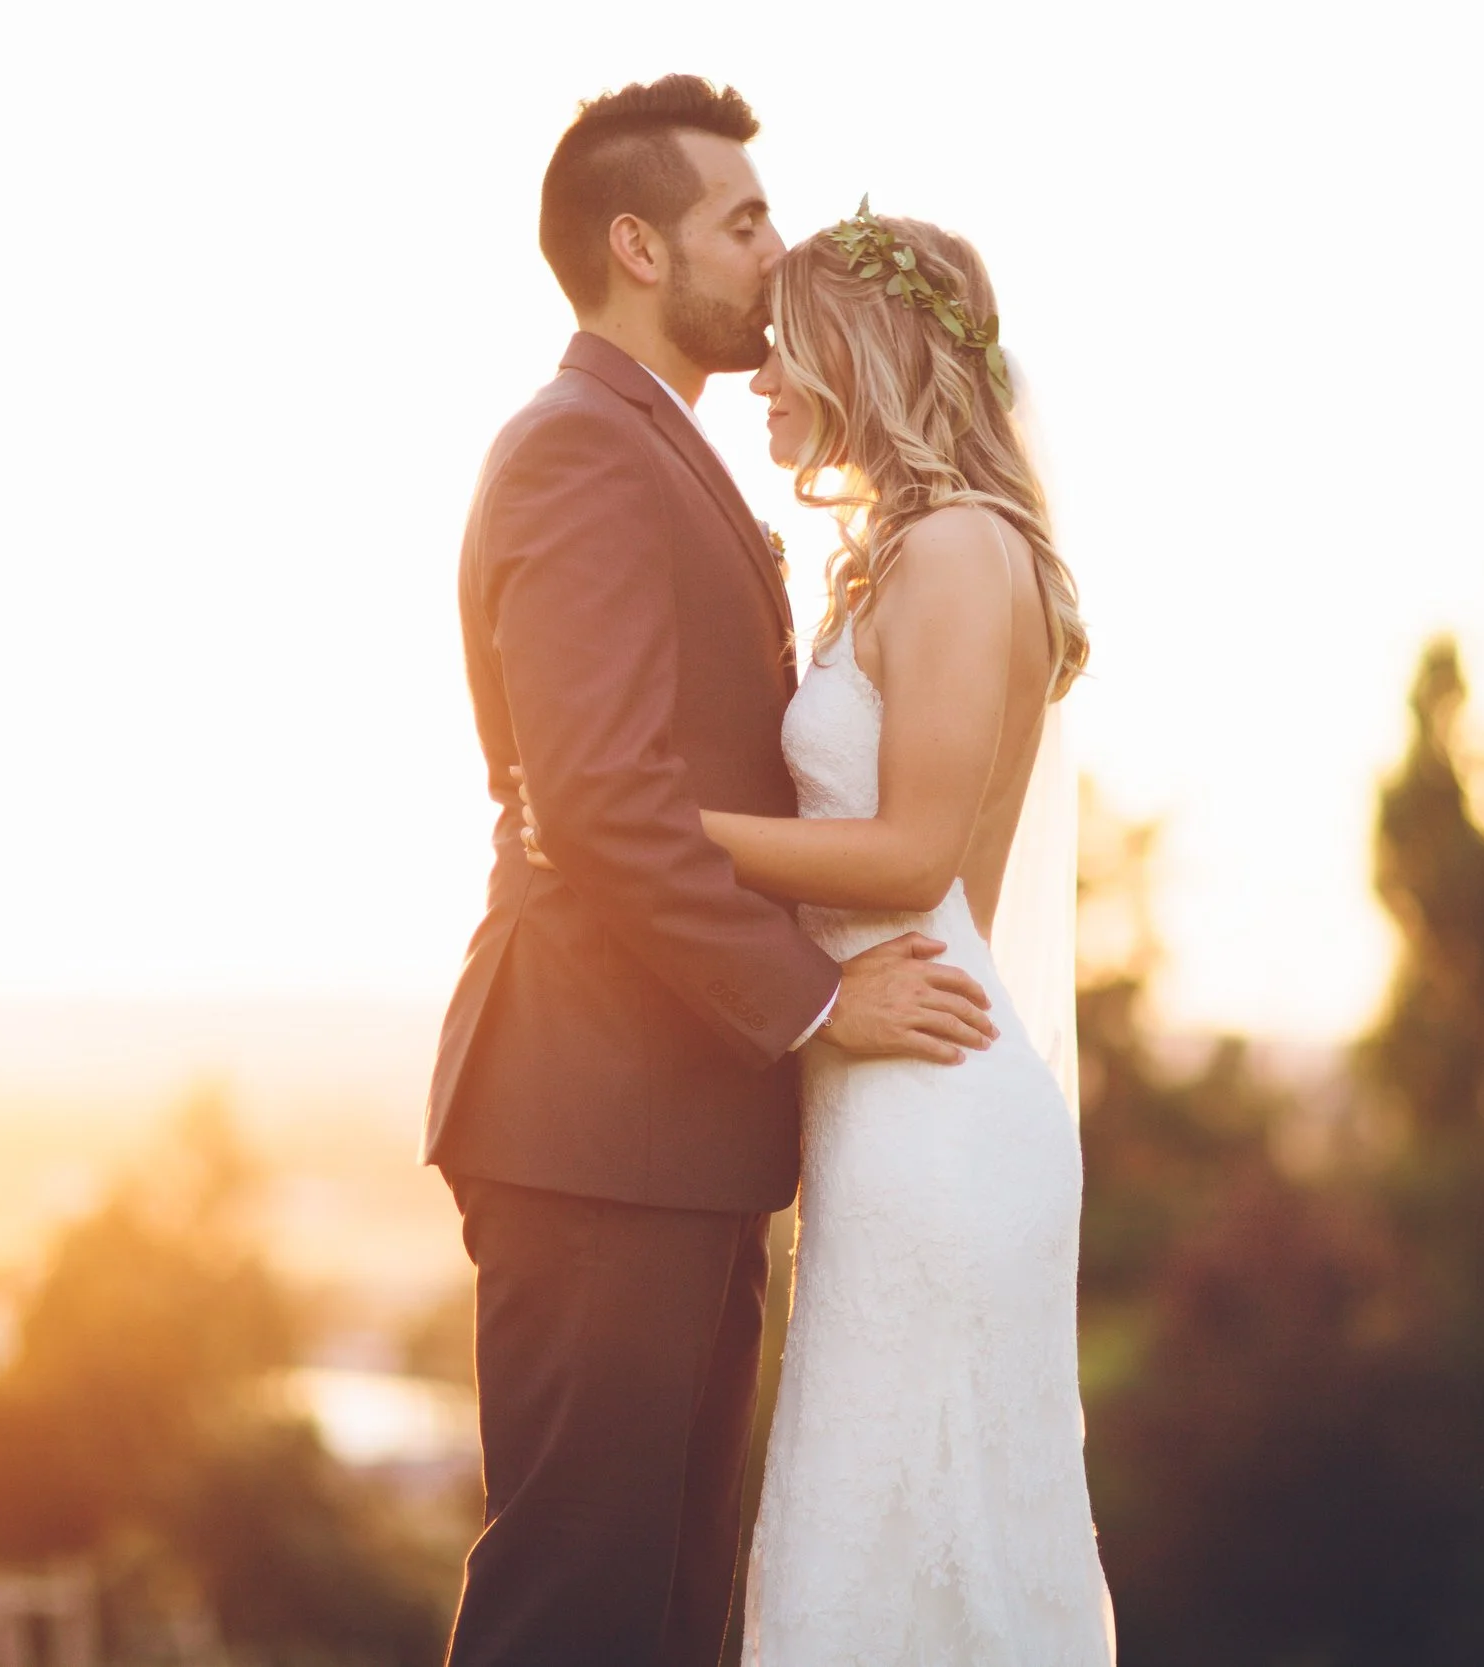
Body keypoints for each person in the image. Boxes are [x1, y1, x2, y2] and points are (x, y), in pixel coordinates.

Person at [422, 76, 1002, 1667]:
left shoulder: (657, 450)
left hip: (681, 1130)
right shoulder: (573, 452)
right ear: (637, 246)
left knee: (673, 1619)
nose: (775, 247)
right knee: (576, 1605)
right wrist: (821, 1005)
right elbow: (602, 805)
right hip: (595, 1123)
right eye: (742, 221)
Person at [520, 201, 1115, 1663]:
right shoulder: (905, 557)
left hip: (936, 1105)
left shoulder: (967, 551)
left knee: (910, 1543)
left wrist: (648, 822)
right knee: (864, 1535)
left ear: (862, 351)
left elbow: (912, 856)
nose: (764, 385)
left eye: (785, 354)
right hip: (880, 1096)